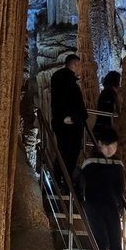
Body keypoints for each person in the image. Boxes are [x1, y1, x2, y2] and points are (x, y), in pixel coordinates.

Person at [78, 127, 125, 250]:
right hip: (94, 206)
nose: (112, 149)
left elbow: (119, 188)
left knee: (116, 246)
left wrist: (120, 205)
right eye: (108, 145)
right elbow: (82, 185)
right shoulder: (90, 163)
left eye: (114, 145)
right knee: (102, 242)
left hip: (110, 206)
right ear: (100, 144)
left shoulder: (118, 165)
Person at [50, 54, 88, 188]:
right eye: (80, 66)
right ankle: (63, 181)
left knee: (65, 150)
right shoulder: (66, 81)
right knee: (68, 151)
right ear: (75, 65)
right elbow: (69, 101)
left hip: (64, 121)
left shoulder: (62, 79)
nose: (81, 69)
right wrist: (73, 117)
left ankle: (62, 180)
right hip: (68, 124)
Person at [93, 70, 121, 137]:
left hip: (100, 126)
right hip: (105, 128)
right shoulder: (109, 94)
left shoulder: (105, 92)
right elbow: (110, 111)